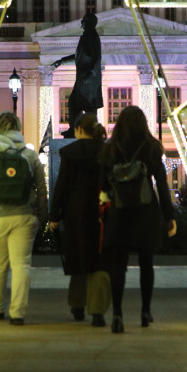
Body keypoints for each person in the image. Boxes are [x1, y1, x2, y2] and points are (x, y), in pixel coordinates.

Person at [99, 106, 177, 333]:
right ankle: (145, 311)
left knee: (118, 266)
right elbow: (162, 185)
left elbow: (103, 184)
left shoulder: (111, 148)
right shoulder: (152, 148)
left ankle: (117, 315)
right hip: (146, 211)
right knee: (146, 263)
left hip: (120, 211)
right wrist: (169, 216)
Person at [0, 111, 48, 325]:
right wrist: (40, 216)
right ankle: (18, 313)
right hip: (24, 216)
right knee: (21, 264)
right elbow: (42, 190)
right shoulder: (30, 155)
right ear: (18, 128)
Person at [49, 113, 111, 327]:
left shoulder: (69, 152)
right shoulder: (106, 152)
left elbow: (62, 186)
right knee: (99, 259)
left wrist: (54, 216)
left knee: (78, 255)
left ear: (79, 130)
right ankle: (98, 311)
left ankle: (77, 304)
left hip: (75, 210)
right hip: (101, 210)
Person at [51, 13, 103, 138]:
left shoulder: (92, 36)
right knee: (74, 103)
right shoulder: (86, 36)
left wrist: (91, 74)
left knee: (89, 106)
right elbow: (78, 57)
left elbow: (97, 58)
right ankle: (74, 128)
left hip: (88, 79)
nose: (81, 23)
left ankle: (92, 130)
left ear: (89, 22)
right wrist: (62, 61)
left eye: (83, 20)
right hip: (83, 78)